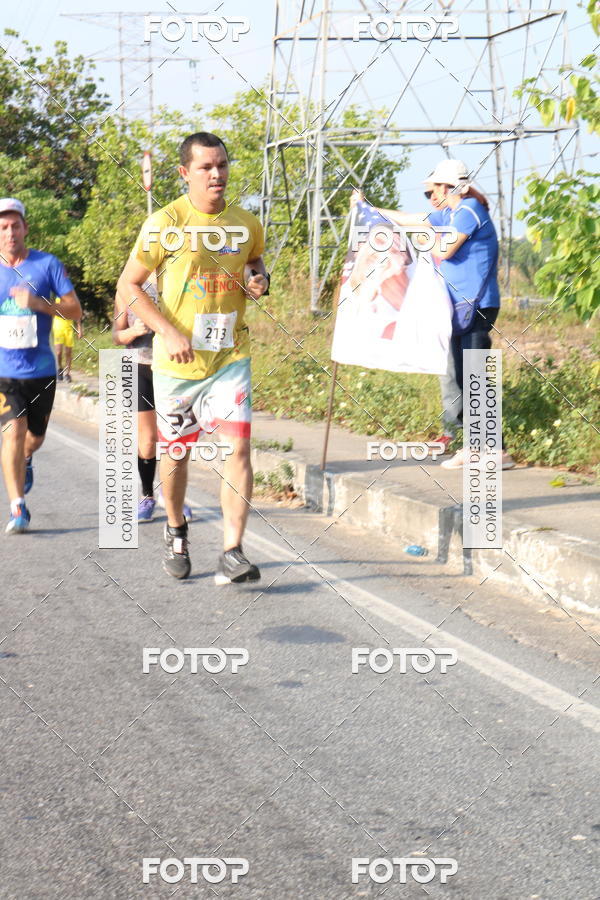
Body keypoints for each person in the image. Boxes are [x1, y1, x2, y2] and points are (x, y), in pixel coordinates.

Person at [117, 132, 270, 581]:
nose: (217, 174)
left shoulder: (246, 223)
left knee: (238, 447)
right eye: (206, 167)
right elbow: (129, 286)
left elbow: (256, 264)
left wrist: (260, 280)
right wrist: (166, 330)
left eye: (222, 164)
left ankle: (232, 549)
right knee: (177, 453)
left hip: (229, 357)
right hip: (177, 365)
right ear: (185, 173)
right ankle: (176, 527)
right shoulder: (165, 223)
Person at [369, 160, 514, 469]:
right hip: (455, 306)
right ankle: (474, 447)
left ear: (448, 187)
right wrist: (372, 210)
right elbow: (413, 219)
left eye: (432, 190)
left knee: (475, 375)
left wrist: (423, 235)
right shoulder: (448, 213)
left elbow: (445, 249)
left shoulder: (470, 210)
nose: (430, 197)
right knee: (462, 374)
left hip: (476, 303)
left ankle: (496, 449)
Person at [0, 198, 82, 533]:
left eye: (15, 226)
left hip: (41, 370)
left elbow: (75, 310)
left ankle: (28, 459)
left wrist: (38, 303)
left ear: (25, 228)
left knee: (34, 439)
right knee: (12, 433)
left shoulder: (47, 265)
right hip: (5, 371)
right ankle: (17, 507)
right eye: (3, 228)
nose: (9, 233)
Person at [112, 276, 193, 523]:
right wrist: (132, 331)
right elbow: (117, 335)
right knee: (148, 440)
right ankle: (147, 496)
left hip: (175, 367)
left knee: (177, 438)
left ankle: (175, 498)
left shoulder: (179, 276)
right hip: (139, 366)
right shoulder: (126, 285)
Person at [53, 300, 83, 382]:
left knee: (68, 352)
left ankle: (68, 374)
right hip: (58, 329)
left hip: (69, 329)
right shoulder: (57, 299)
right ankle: (59, 368)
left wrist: (79, 328)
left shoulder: (71, 298)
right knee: (59, 352)